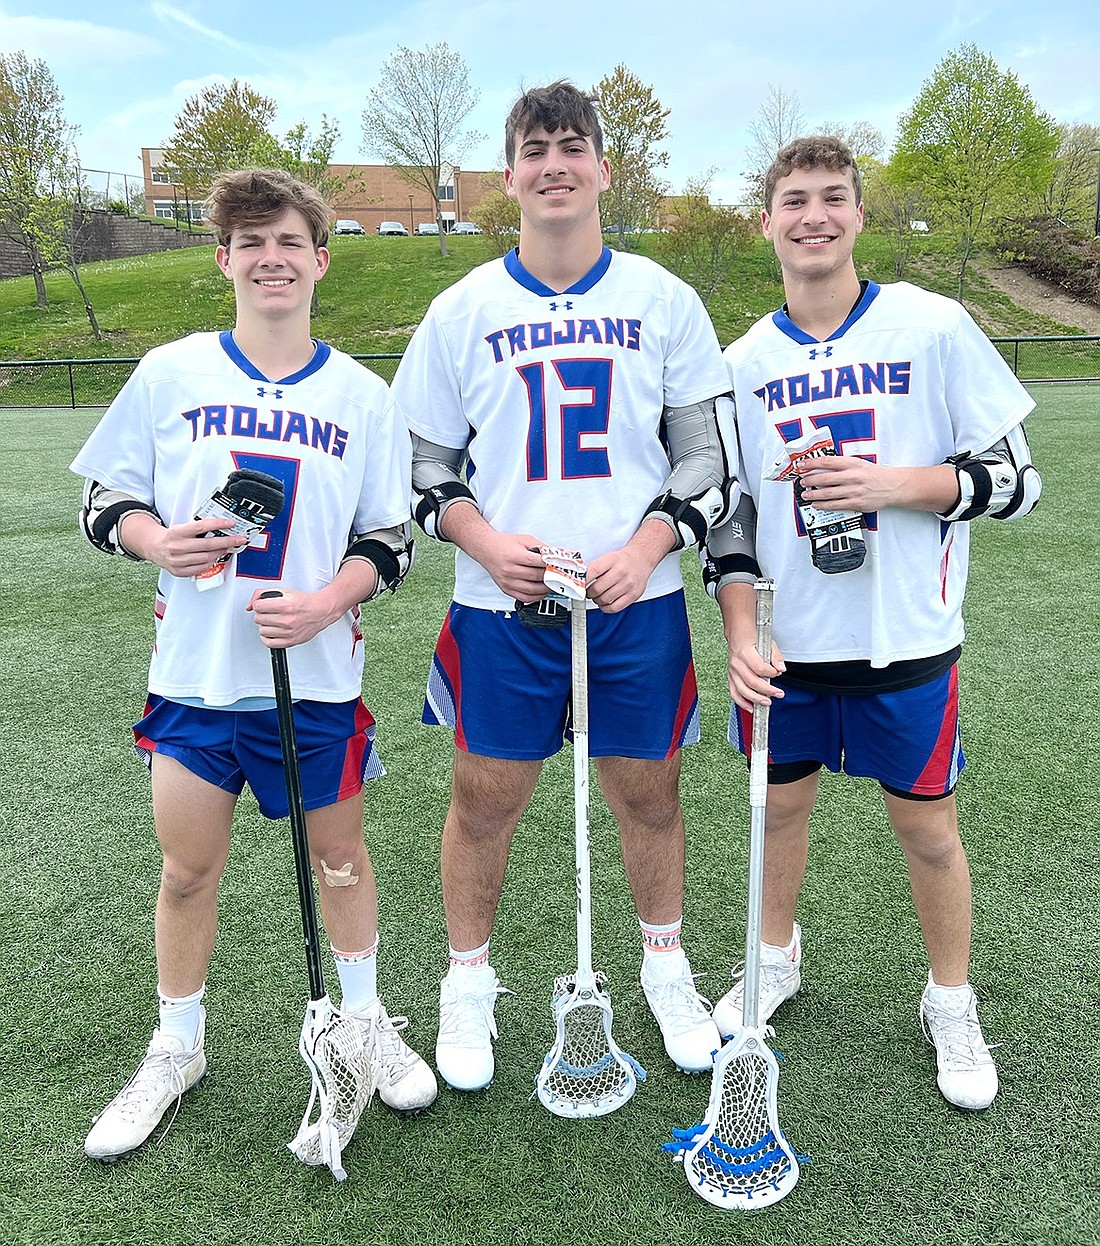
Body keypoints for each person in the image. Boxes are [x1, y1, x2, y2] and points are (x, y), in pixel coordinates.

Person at [71, 167, 437, 1161]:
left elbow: (392, 540)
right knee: (187, 870)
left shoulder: (363, 396)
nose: (270, 258)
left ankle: (362, 1024)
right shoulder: (172, 372)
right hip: (196, 677)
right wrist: (158, 543)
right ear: (225, 259)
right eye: (250, 243)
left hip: (313, 680)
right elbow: (105, 503)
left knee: (340, 859)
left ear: (320, 258)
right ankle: (177, 1044)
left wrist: (327, 598)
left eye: (288, 242)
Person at [391, 81, 732, 1090]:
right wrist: (483, 539)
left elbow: (704, 460)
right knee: (484, 793)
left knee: (648, 790)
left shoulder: (663, 299)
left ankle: (664, 965)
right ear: (510, 174)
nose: (553, 164)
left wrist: (649, 544)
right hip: (503, 607)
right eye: (534, 148)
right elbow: (420, 466)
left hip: (637, 600)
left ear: (601, 167)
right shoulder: (460, 310)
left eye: (571, 146)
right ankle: (467, 983)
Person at [703, 136, 1041, 1110]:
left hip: (905, 639)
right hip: (787, 648)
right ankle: (774, 957)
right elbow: (725, 522)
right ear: (765, 221)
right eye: (793, 200)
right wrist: (735, 632)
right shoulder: (742, 364)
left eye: (831, 198)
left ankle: (948, 998)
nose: (812, 215)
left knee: (926, 828)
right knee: (782, 815)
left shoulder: (930, 326)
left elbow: (1016, 482)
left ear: (857, 214)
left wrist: (894, 484)